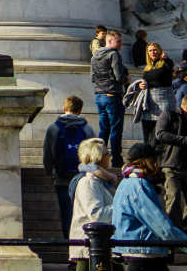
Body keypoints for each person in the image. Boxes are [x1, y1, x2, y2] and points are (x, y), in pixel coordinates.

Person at [53, 138, 122, 271]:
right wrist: (122, 207)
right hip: (88, 245)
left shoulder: (100, 182)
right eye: (107, 153)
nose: (110, 157)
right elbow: (96, 213)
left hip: (98, 246)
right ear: (98, 157)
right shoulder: (89, 182)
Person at [41, 95, 93, 234]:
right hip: (82, 176)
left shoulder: (53, 128)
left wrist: (49, 171)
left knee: (65, 211)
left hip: (61, 176)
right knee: (82, 209)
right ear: (80, 110)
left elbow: (48, 153)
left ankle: (67, 240)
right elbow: (93, 155)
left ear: (64, 109)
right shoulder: (87, 129)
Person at [149, 88, 187, 223]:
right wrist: (183, 140)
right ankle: (173, 233)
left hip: (184, 165)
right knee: (174, 196)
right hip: (171, 164)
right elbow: (160, 133)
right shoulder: (170, 114)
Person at [92, 29, 129, 166]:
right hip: (112, 95)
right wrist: (126, 79)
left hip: (99, 95)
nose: (121, 44)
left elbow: (92, 77)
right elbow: (119, 77)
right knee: (115, 129)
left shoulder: (94, 56)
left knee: (104, 129)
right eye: (118, 41)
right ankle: (116, 160)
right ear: (109, 41)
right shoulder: (114, 54)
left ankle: (99, 158)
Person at [136, 42, 174, 146]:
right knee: (149, 134)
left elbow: (164, 70)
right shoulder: (147, 67)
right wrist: (141, 85)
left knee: (162, 132)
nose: (153, 52)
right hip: (150, 103)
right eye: (150, 50)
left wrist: (165, 58)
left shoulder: (166, 63)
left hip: (163, 102)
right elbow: (147, 79)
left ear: (160, 50)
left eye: (155, 49)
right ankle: (149, 158)